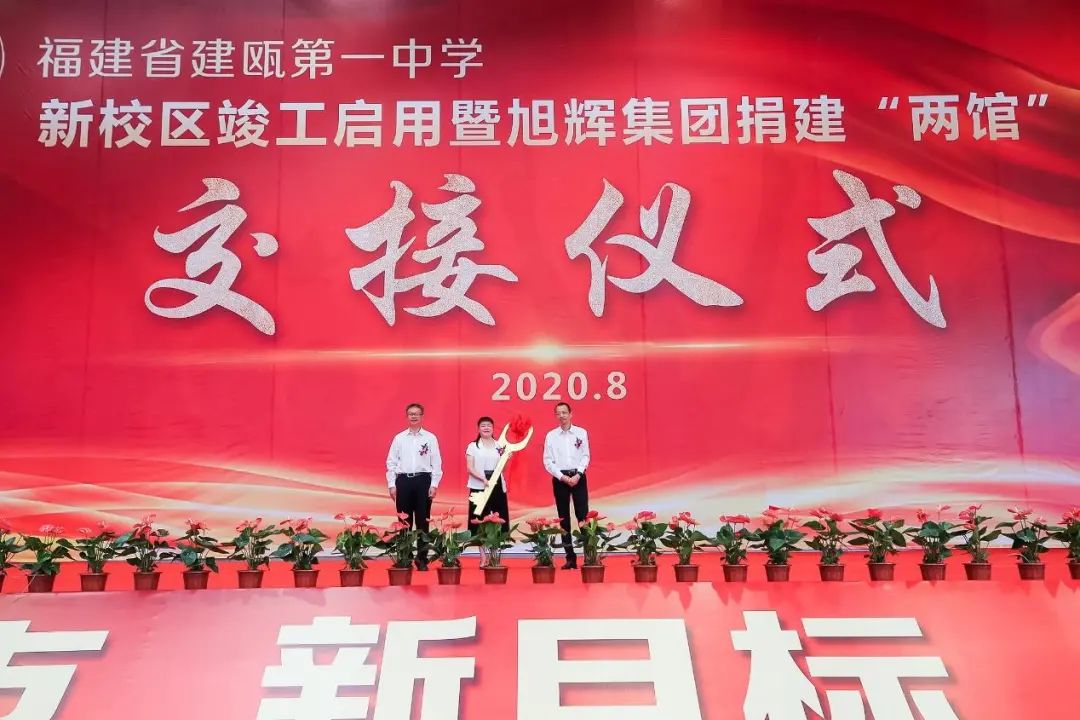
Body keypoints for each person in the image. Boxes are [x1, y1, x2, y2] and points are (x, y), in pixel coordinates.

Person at [385, 402, 442, 571]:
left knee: (423, 521)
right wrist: (391, 484)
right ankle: (405, 557)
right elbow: (391, 462)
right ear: (407, 416)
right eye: (411, 414)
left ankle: (422, 559)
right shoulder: (399, 438)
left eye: (417, 414)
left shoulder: (430, 438)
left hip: (423, 480)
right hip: (403, 481)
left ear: (422, 416)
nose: (414, 416)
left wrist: (434, 484)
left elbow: (436, 462)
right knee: (404, 521)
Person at [542, 402, 590, 569]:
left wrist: (578, 474)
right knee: (563, 518)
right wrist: (561, 476)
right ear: (556, 416)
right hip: (560, 478)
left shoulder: (581, 433)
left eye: (564, 412)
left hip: (578, 477)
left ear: (571, 414)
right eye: (558, 413)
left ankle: (589, 556)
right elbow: (548, 461)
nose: (561, 416)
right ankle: (570, 558)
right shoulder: (551, 436)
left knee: (583, 516)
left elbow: (585, 456)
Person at [465, 416, 510, 528]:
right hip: (479, 483)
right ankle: (477, 538)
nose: (486, 428)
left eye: (489, 425)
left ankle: (501, 537)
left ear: (493, 428)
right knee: (478, 514)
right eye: (483, 426)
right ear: (478, 429)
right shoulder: (472, 446)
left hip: (497, 482)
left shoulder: (499, 446)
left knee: (500, 513)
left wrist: (506, 459)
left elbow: (503, 469)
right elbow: (470, 468)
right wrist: (483, 479)